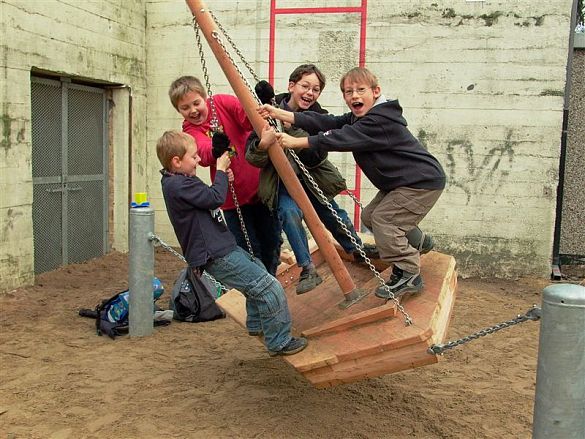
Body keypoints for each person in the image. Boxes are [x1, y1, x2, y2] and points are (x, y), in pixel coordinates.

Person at [257, 67, 446, 299]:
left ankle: (409, 272)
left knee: (384, 219)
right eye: (348, 92)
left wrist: (296, 142)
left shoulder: (379, 120)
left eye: (360, 90)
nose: (354, 96)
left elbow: (338, 138)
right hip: (404, 182)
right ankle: (418, 242)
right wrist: (280, 113)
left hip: (420, 182)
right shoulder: (361, 117)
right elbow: (327, 121)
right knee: (370, 217)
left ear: (376, 92)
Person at [156, 130, 307, 356]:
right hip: (215, 253)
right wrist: (221, 167)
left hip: (219, 247)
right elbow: (214, 198)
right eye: (194, 157)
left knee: (257, 269)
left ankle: (256, 323)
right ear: (176, 161)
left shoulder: (177, 180)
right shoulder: (178, 185)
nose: (199, 160)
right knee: (268, 286)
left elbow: (207, 195)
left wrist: (222, 180)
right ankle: (280, 341)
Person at [247, 64, 377, 295]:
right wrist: (262, 145)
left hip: (311, 179)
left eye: (316, 89)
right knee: (289, 213)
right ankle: (307, 268)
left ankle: (356, 250)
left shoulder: (320, 117)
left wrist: (292, 127)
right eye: (305, 86)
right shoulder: (267, 112)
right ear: (291, 86)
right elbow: (253, 157)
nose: (310, 93)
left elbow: (317, 154)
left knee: (331, 212)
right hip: (281, 184)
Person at [168, 76, 282, 276]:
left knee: (272, 242)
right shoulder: (190, 129)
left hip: (260, 189)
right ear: (180, 111)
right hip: (233, 200)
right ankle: (261, 287)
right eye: (185, 108)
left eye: (196, 103)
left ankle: (270, 282)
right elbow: (201, 152)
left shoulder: (222, 102)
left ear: (204, 98)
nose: (193, 110)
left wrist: (260, 105)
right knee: (248, 249)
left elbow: (248, 121)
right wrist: (215, 149)